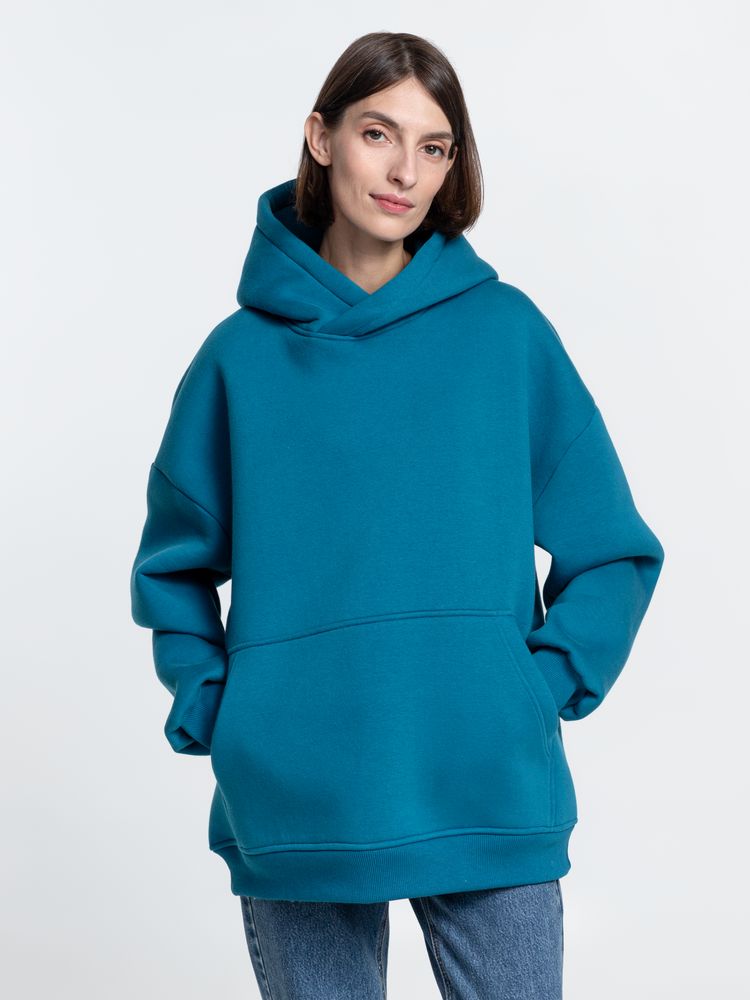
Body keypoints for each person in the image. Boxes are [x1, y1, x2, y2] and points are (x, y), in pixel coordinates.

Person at [130, 30, 665, 1000]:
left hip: (486, 784)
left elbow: (611, 550)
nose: (405, 172)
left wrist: (527, 691)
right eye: (379, 134)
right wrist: (223, 710)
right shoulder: (236, 362)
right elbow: (173, 565)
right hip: (296, 799)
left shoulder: (506, 336)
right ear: (321, 137)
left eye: (434, 146)